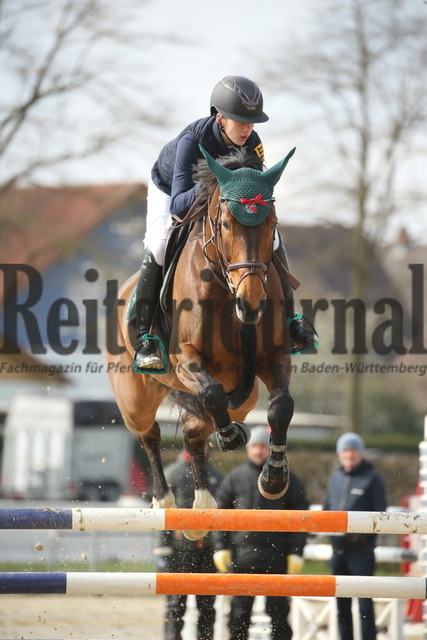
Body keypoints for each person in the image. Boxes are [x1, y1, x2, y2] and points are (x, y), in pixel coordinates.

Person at [133, 74, 318, 370]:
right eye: (240, 121)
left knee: (275, 238)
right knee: (158, 244)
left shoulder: (253, 144)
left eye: (252, 122)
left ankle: (292, 323)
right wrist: (215, 180)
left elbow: (254, 193)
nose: (247, 129)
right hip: (169, 191)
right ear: (220, 118)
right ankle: (146, 338)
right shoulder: (192, 141)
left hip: (220, 201)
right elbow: (179, 205)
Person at [212, 425, 308, 640]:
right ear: (248, 449)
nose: (258, 451)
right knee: (238, 616)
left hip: (277, 558)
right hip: (242, 558)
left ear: (270, 449)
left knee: (279, 616)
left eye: (263, 446)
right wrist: (221, 547)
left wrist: (296, 551)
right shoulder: (234, 477)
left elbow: (302, 518)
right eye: (254, 446)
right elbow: (218, 515)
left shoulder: (288, 479)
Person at [153, 447, 223, 640]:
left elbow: (223, 513)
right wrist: (163, 549)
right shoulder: (172, 473)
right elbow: (162, 513)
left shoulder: (215, 474)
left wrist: (221, 547)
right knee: (175, 604)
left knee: (208, 605)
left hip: (208, 550)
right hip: (179, 551)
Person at [323, 432, 387, 640]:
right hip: (338, 549)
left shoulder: (373, 478)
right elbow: (326, 510)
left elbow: (381, 513)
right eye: (345, 450)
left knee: (365, 605)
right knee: (342, 604)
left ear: (360, 453)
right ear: (339, 454)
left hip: (362, 551)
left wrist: (357, 535)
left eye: (353, 450)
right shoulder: (335, 478)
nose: (349, 455)